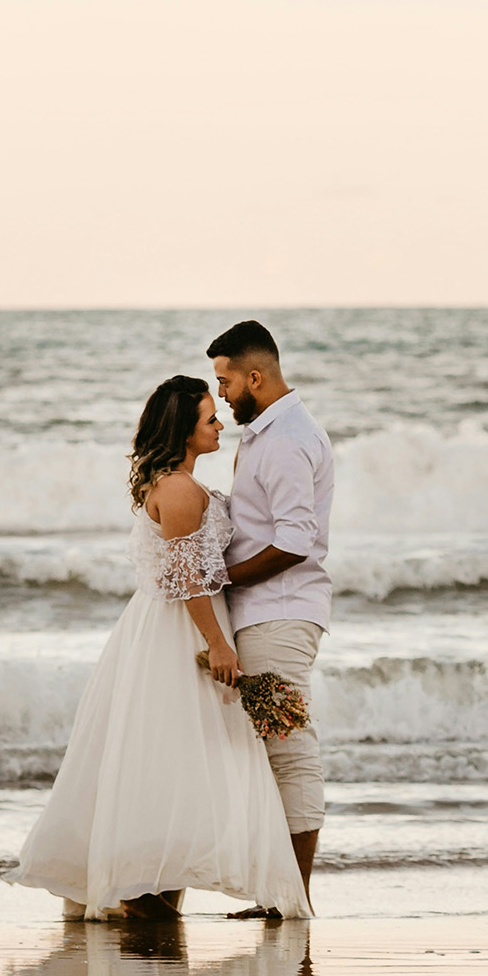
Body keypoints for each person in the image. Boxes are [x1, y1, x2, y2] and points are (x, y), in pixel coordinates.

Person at [4, 375, 311, 922]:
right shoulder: (177, 489)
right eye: (208, 419)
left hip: (171, 624)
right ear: (184, 432)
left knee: (171, 755)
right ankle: (142, 887)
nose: (219, 426)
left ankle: (157, 883)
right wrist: (218, 645)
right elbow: (188, 577)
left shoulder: (181, 484)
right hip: (178, 631)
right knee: (168, 752)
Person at [207, 322, 333, 914]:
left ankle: (293, 898)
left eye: (226, 381)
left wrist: (222, 578)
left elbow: (295, 541)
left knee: (289, 749)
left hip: (279, 616)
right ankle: (278, 893)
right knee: (274, 749)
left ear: (255, 376)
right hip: (265, 614)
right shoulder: (267, 434)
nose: (224, 394)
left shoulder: (284, 439)